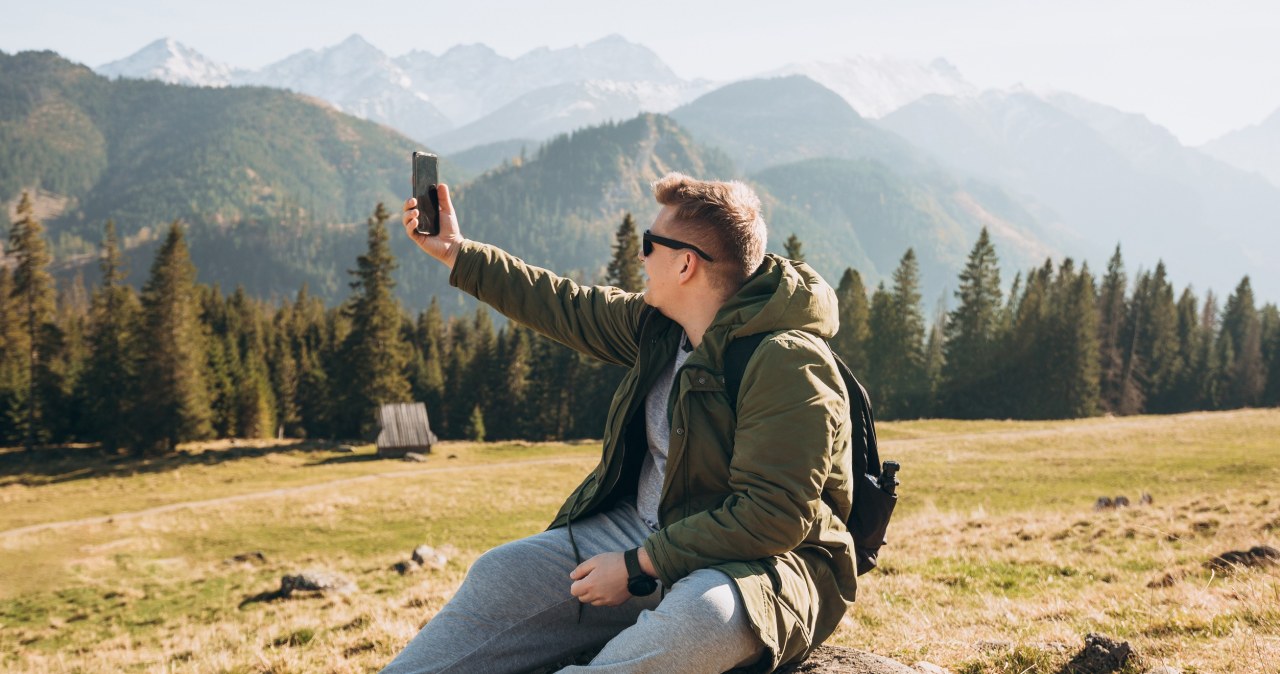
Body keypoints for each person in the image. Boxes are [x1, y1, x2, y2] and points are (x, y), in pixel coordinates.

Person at [382, 173, 856, 674]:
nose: (639, 256)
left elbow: (774, 517)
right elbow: (563, 305)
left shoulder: (786, 362)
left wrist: (637, 565)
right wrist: (457, 251)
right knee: (504, 571)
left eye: (649, 244)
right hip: (641, 531)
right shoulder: (662, 327)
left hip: (762, 566)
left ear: (685, 263)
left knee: (703, 617)